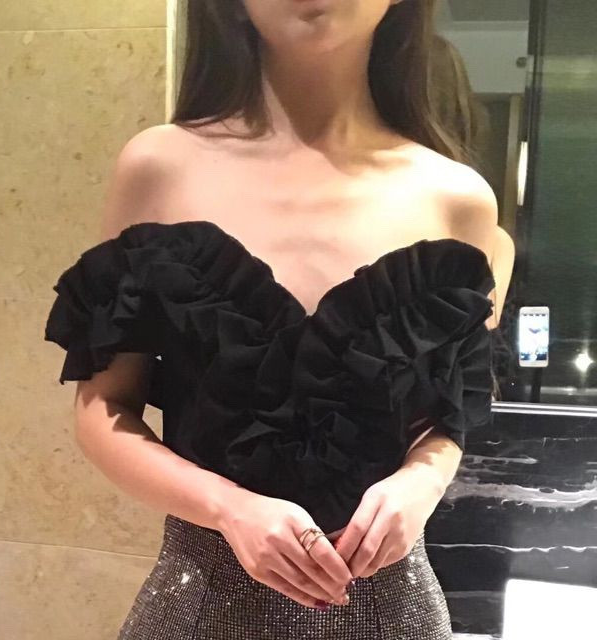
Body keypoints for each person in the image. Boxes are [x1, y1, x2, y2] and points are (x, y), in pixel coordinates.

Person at [44, 0, 515, 638]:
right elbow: (102, 409)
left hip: (389, 611)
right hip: (200, 604)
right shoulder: (158, 167)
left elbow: (448, 415)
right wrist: (227, 508)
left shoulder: (457, 199)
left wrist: (419, 486)